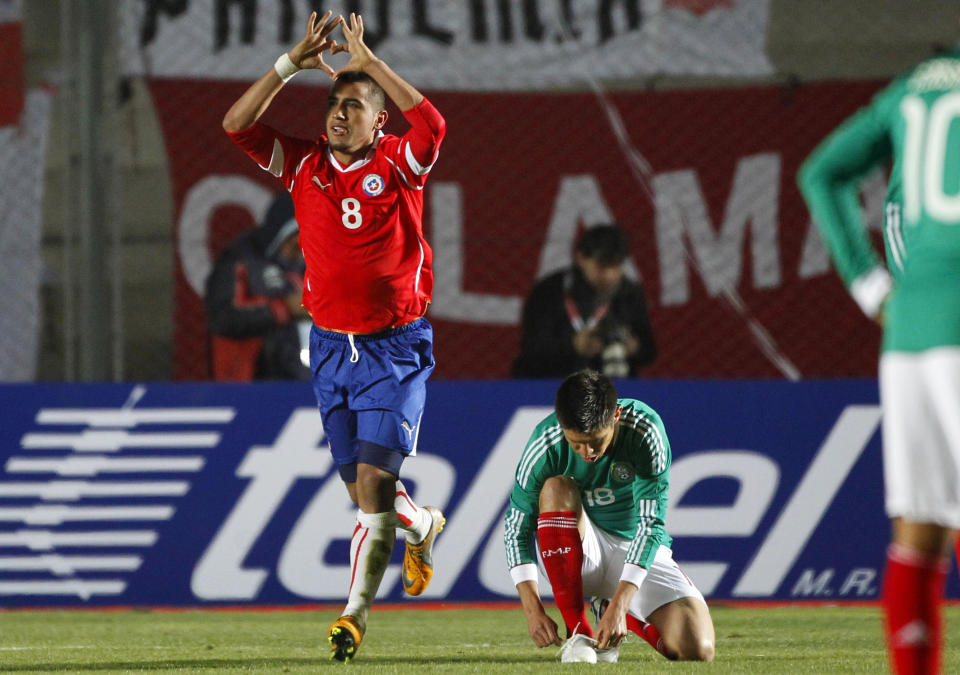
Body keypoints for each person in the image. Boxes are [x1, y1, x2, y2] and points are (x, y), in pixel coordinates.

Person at [222, 10, 447, 662]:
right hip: (329, 348)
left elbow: (433, 124)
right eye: (334, 103)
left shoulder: (401, 164)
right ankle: (423, 523)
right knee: (360, 487)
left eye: (355, 105)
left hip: (394, 349)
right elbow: (237, 124)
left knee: (373, 487)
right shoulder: (303, 166)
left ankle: (353, 616)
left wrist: (369, 63)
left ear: (381, 121)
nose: (340, 113)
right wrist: (290, 62)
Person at [798, 46, 960, 674]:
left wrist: (872, 286)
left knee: (918, 536)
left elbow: (821, 172)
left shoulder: (909, 91)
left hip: (910, 335)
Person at [503, 369, 715, 663]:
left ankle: (613, 610)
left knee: (697, 650)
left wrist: (620, 604)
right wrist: (532, 607)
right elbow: (516, 526)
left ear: (615, 415)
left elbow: (650, 527)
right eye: (576, 442)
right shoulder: (546, 442)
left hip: (638, 550)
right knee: (555, 487)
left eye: (595, 441)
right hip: (579, 552)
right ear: (563, 425)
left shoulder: (644, 431)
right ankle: (578, 630)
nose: (587, 452)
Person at [513, 224, 656, 379]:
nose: (610, 276)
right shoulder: (549, 290)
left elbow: (649, 350)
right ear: (581, 258)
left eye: (615, 266)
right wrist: (573, 345)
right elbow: (532, 347)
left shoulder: (629, 293)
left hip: (609, 382)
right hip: (554, 380)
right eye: (601, 267)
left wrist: (633, 348)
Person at [205, 192, 311, 381]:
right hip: (255, 379)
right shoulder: (242, 261)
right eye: (295, 247)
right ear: (279, 237)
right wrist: (285, 307)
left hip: (314, 376)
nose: (300, 256)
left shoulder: (321, 262)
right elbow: (223, 317)